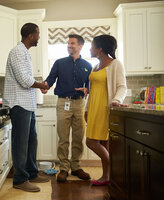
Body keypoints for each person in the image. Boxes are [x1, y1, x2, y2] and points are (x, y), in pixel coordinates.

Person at [3, 23, 50, 192]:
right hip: (19, 103)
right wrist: (41, 84)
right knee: (21, 143)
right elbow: (24, 79)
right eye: (37, 34)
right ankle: (20, 179)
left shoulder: (24, 53)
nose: (38, 37)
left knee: (31, 140)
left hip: (27, 104)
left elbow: (27, 79)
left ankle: (31, 173)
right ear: (31, 35)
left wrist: (39, 85)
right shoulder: (17, 52)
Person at [76, 35, 127, 186]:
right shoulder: (96, 66)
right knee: (104, 144)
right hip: (93, 108)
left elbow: (122, 86)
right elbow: (93, 90)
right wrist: (86, 109)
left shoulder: (116, 64)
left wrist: (116, 100)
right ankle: (107, 176)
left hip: (105, 109)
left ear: (100, 49)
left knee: (91, 142)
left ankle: (119, 169)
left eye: (92, 46)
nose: (90, 49)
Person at [42, 34, 92, 182]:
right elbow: (50, 79)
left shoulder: (88, 66)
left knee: (78, 137)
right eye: (68, 43)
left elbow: (90, 85)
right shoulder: (59, 63)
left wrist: (87, 90)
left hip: (79, 104)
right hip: (63, 103)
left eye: (72, 43)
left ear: (80, 46)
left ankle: (76, 167)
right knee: (63, 137)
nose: (69, 45)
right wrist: (45, 86)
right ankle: (64, 168)